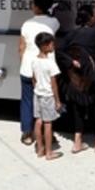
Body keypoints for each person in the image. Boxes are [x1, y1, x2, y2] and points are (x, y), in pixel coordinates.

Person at [58, 0, 95, 153]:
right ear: (91, 18)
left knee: (77, 108)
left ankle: (77, 141)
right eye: (94, 14)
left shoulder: (71, 34)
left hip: (76, 79)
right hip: (94, 77)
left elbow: (59, 51)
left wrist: (72, 63)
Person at [18, 0, 60, 146]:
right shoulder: (54, 22)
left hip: (28, 67)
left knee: (28, 101)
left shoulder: (26, 24)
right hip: (46, 70)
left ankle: (27, 133)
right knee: (47, 102)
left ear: (36, 7)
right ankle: (48, 134)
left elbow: (21, 48)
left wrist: (24, 63)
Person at [31, 32, 63, 161]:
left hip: (37, 94)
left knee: (38, 121)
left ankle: (40, 149)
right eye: (51, 44)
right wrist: (58, 101)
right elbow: (54, 84)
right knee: (48, 124)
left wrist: (37, 89)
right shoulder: (50, 64)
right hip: (48, 96)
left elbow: (33, 78)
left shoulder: (34, 60)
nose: (53, 46)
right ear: (45, 46)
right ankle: (49, 152)